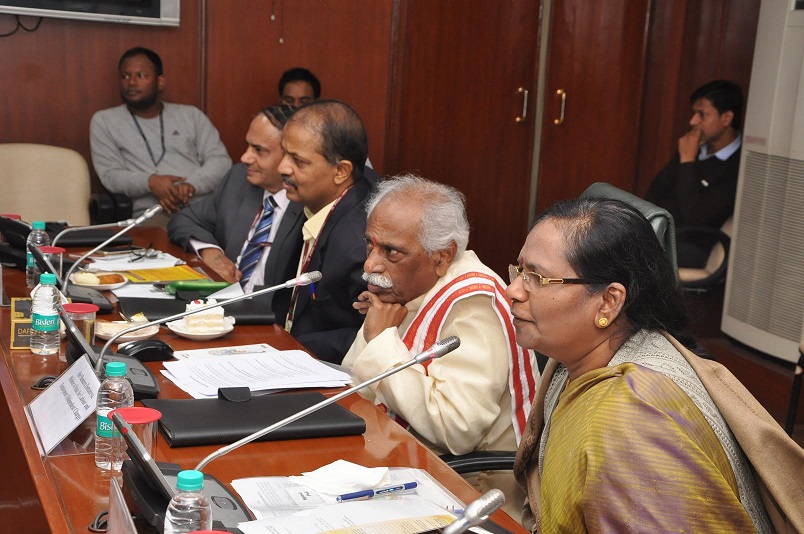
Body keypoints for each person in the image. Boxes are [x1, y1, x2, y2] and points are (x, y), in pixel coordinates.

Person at [509, 197, 803, 533]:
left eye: (536, 277)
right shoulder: (575, 361)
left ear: (608, 302)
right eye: (520, 270)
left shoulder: (630, 418)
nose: (513, 290)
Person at [341, 174, 539, 520]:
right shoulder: (404, 288)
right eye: (370, 245)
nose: (371, 264)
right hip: (400, 462)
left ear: (442, 257)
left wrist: (382, 340)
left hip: (469, 494)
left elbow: (456, 429)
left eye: (391, 251)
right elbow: (354, 384)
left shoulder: (473, 303)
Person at [167, 105, 303, 301]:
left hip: (270, 312)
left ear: (291, 156)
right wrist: (211, 252)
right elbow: (183, 219)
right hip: (220, 302)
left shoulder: (310, 201)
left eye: (259, 150)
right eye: (248, 146)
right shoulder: (239, 179)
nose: (244, 157)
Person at [272, 99, 372, 364]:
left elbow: (369, 335)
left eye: (298, 161)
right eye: (284, 153)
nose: (282, 167)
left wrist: (291, 346)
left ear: (340, 171)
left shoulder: (359, 243)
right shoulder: (313, 197)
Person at [90, 47, 232, 220]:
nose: (132, 83)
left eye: (141, 75)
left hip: (202, 206)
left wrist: (191, 186)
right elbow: (110, 176)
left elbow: (221, 162)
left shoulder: (191, 115)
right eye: (125, 76)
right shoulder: (105, 121)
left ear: (160, 82)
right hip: (152, 214)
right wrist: (150, 182)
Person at [645, 79, 743, 266]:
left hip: (694, 245)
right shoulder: (694, 149)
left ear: (726, 118)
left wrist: (687, 161)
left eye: (702, 114)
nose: (693, 121)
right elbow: (655, 193)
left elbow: (695, 217)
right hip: (660, 233)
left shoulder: (738, 165)